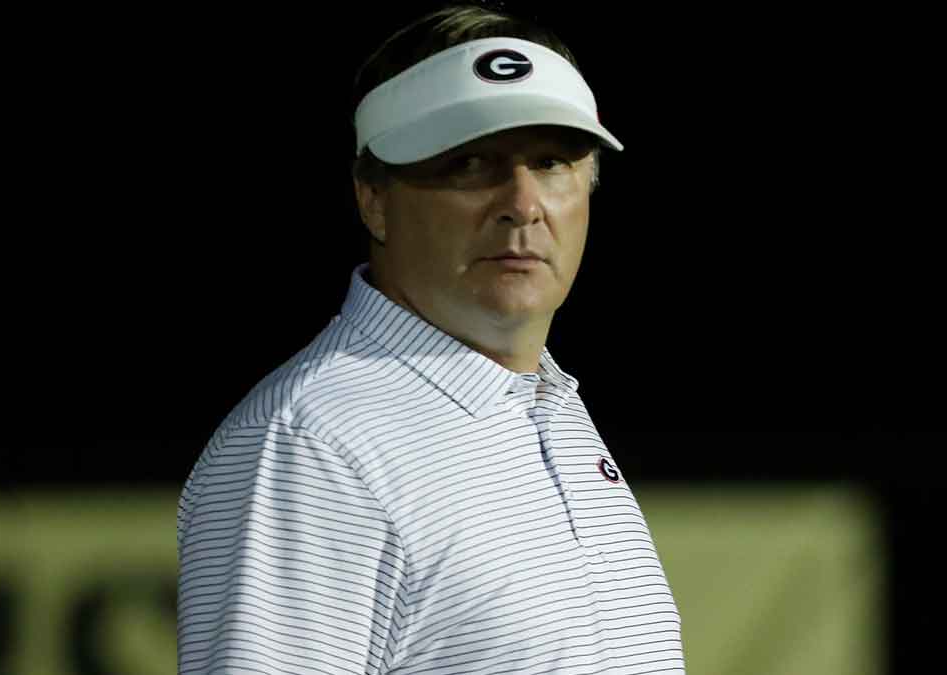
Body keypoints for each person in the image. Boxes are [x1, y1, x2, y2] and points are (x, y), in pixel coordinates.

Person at [176, 4, 684, 673]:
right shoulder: (310, 446)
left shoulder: (547, 406)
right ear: (373, 196)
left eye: (552, 160)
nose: (523, 202)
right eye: (471, 161)